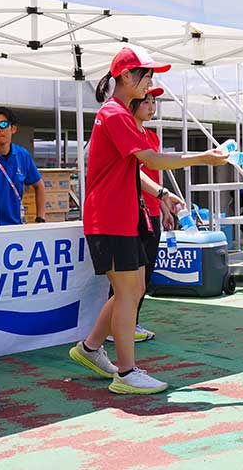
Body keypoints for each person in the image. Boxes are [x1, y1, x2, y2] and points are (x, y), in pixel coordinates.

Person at [69, 46, 229, 395]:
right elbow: (152, 160)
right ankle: (126, 374)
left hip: (122, 218)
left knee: (133, 290)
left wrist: (161, 194)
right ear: (126, 77)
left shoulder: (119, 115)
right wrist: (203, 157)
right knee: (128, 294)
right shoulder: (115, 114)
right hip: (109, 219)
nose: (151, 85)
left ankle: (91, 348)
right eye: (147, 76)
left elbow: (137, 168)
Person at [104, 87, 172, 344]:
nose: (151, 105)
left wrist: (163, 199)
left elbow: (155, 170)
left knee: (141, 279)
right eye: (146, 100)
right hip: (128, 213)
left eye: (154, 101)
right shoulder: (119, 126)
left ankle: (126, 325)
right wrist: (202, 158)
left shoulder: (151, 137)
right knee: (126, 283)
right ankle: (116, 333)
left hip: (149, 211)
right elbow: (140, 170)